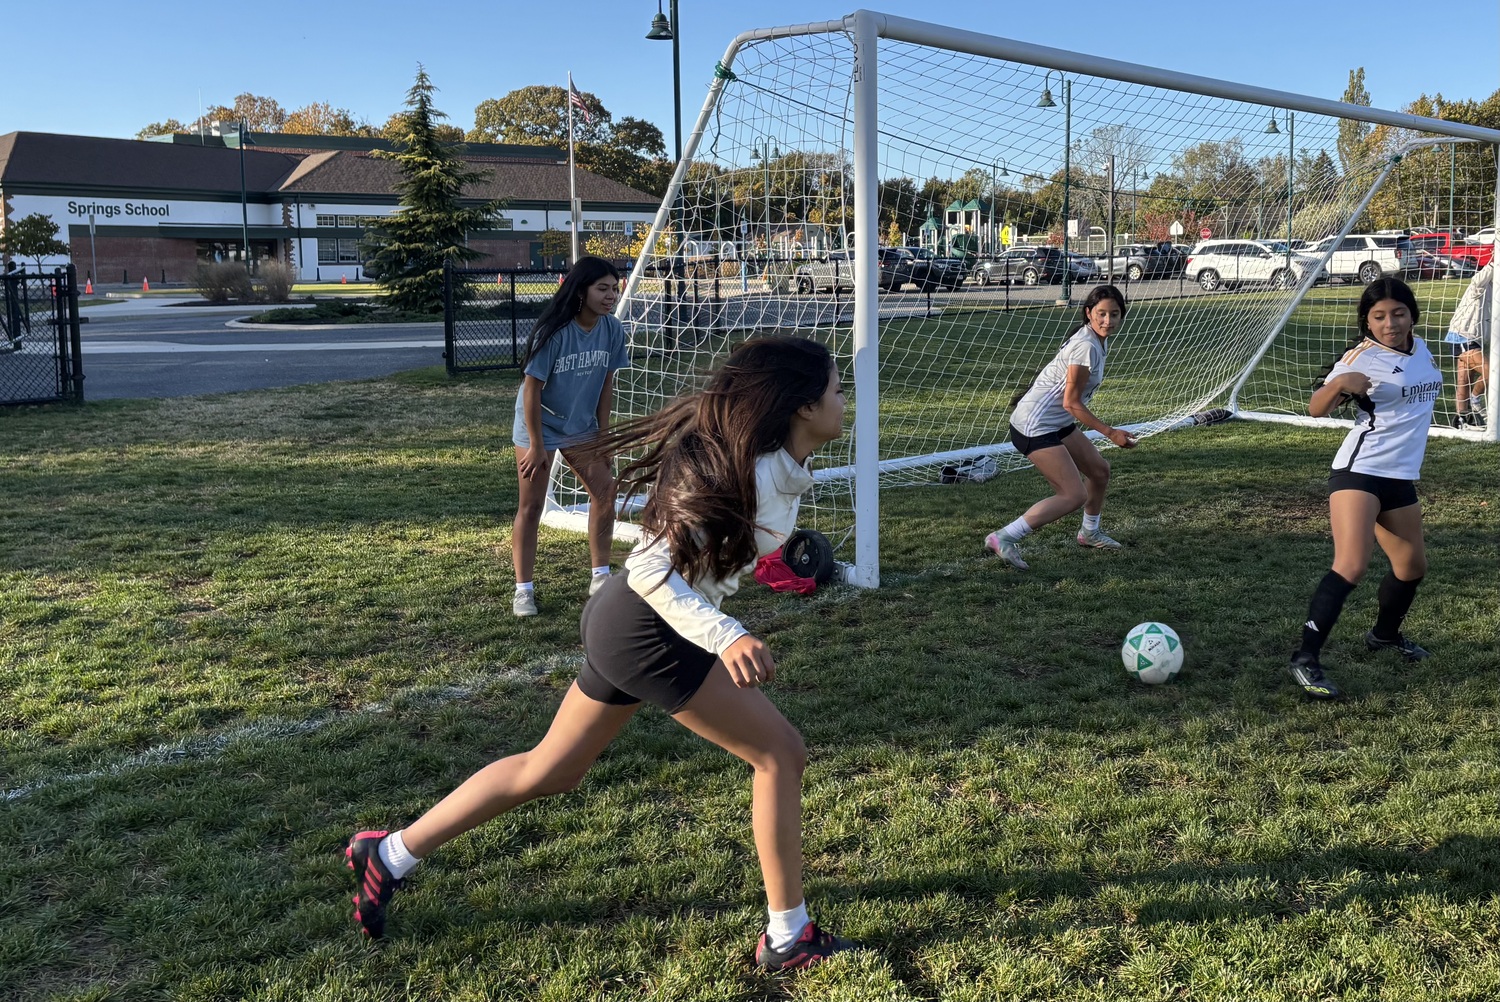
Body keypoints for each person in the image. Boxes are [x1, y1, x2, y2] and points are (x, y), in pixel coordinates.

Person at [346, 336, 860, 971]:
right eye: (839, 389)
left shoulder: (771, 463)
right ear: (803, 406)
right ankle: (788, 937)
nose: (846, 401)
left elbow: (709, 552)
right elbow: (648, 568)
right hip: (645, 627)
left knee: (552, 771)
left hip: (636, 626)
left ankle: (390, 853)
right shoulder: (747, 469)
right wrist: (727, 634)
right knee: (780, 752)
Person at [1287, 277, 1441, 700]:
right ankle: (1306, 659)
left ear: (1411, 315)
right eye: (1378, 316)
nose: (1389, 323)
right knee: (1351, 564)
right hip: (1360, 472)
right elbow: (1316, 408)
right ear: (1367, 322)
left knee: (1412, 568)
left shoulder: (1422, 348)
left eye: (1397, 313)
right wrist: (1338, 384)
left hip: (1400, 477)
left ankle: (1384, 636)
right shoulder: (1361, 357)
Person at [985, 284, 1138, 570]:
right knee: (1073, 495)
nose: (1108, 321)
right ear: (1088, 313)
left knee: (1099, 471)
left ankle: (1089, 533)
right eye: (1101, 314)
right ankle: (1003, 537)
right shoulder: (1085, 346)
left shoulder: (1095, 339)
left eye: (1114, 314)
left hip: (1055, 421)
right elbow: (1071, 403)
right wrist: (1111, 432)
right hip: (1035, 425)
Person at [510, 256, 630, 617]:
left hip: (582, 427)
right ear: (581, 291)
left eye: (614, 288)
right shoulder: (555, 332)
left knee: (606, 492)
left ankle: (599, 575)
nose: (611, 295)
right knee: (531, 507)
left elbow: (607, 384)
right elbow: (532, 391)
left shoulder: (612, 329)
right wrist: (535, 445)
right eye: (602, 288)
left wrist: (604, 435)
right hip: (539, 427)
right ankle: (524, 591)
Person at [1444, 261, 1491, 428]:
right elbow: (1480, 278)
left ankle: (1461, 419)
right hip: (1464, 335)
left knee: (1463, 381)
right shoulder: (1481, 284)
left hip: (1472, 338)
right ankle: (1476, 400)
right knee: (1492, 371)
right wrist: (1493, 262)